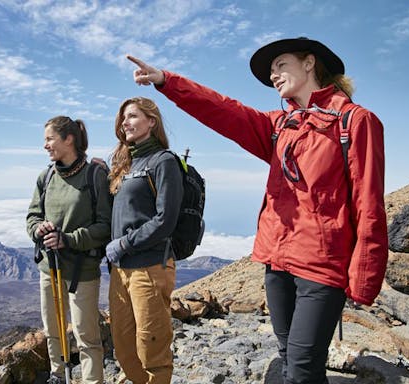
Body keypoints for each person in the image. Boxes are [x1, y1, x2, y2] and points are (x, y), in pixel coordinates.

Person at [127, 37, 388, 384]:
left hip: (321, 268)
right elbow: (223, 109)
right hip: (276, 261)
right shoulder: (280, 126)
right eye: (271, 73)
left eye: (281, 66)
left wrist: (364, 280)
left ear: (309, 63)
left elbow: (369, 205)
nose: (274, 77)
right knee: (287, 358)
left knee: (302, 367)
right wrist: (167, 81)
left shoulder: (355, 122)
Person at [26, 116, 112, 384]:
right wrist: (39, 230)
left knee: (86, 335)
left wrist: (69, 240)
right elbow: (32, 217)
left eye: (49, 139)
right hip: (49, 269)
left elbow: (105, 226)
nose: (45, 146)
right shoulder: (47, 176)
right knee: (53, 330)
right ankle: (57, 375)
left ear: (69, 139)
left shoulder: (94, 175)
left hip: (82, 270)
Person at [105, 97, 183, 384]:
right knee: (124, 349)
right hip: (120, 270)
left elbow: (165, 220)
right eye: (123, 118)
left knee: (152, 349)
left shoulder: (164, 161)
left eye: (133, 116)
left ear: (152, 121)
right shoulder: (125, 163)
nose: (125, 122)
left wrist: (124, 244)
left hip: (150, 267)